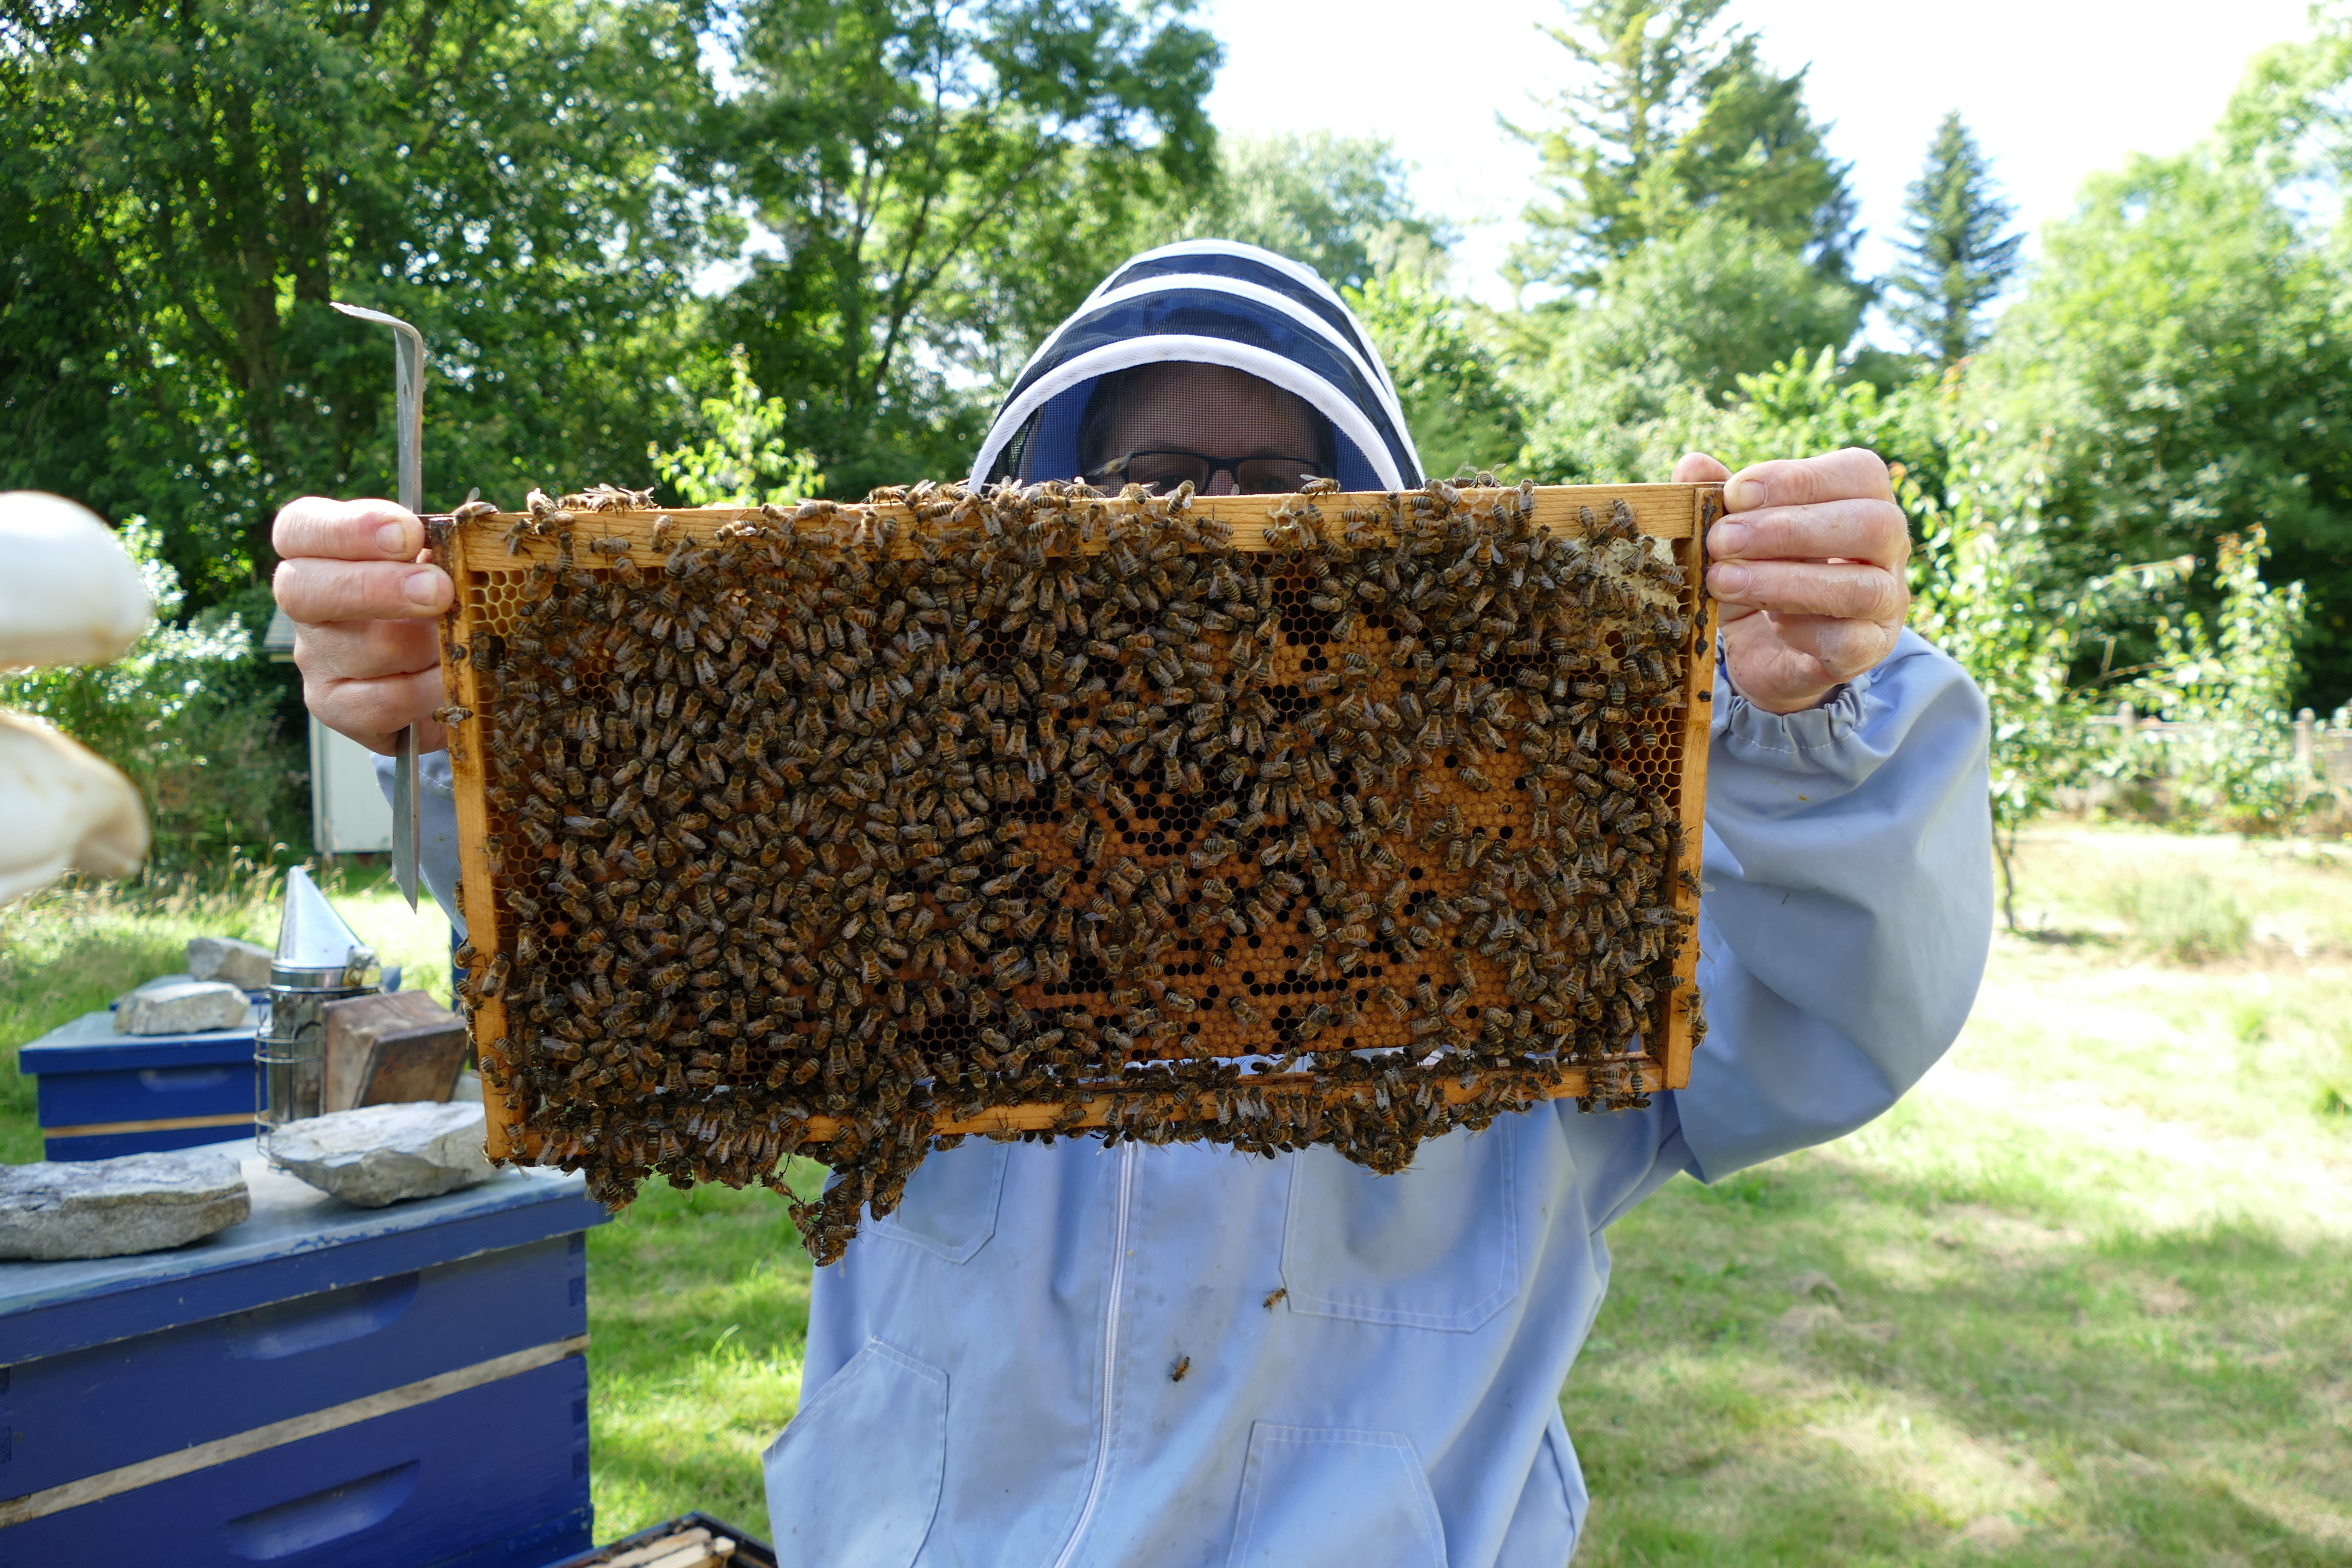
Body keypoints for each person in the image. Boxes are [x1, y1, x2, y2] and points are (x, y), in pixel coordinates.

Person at [273, 239, 1991, 1566]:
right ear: (1033, 524)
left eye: (1290, 496)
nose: (1214, 539)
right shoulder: (901, 840)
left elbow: (1835, 1000)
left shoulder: (1527, 838)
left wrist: (1812, 728)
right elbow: (648, 889)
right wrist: (466, 701)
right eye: (1153, 483)